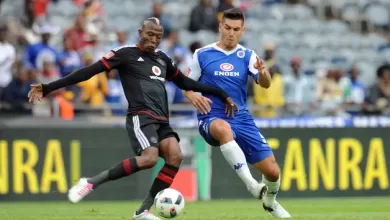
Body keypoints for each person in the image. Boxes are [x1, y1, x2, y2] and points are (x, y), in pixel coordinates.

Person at [28, 17, 238, 220]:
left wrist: (221, 93)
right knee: (150, 159)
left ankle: (142, 212)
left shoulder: (162, 58)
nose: (154, 40)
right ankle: (91, 182)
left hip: (162, 120)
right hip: (141, 116)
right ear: (140, 33)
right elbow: (87, 72)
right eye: (150, 35)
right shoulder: (125, 54)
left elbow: (185, 82)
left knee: (175, 157)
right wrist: (48, 88)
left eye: (158, 36)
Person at [183, 8, 291, 218]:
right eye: (227, 28)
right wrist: (191, 95)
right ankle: (251, 185)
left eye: (236, 29)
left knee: (273, 172)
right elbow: (185, 83)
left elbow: (266, 84)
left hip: (241, 119)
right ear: (220, 27)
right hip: (211, 117)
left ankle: (270, 202)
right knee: (223, 129)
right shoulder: (202, 54)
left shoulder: (248, 55)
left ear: (243, 30)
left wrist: (263, 72)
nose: (231, 33)